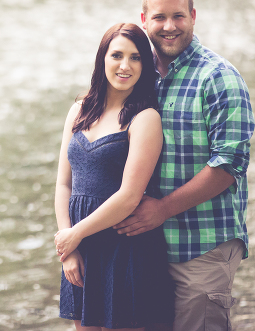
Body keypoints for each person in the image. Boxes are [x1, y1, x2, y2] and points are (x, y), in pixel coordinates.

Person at [113, 0, 255, 331]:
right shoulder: (140, 78)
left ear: (193, 17)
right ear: (144, 20)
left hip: (202, 244)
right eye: (160, 17)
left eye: (179, 16)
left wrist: (161, 209)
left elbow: (229, 165)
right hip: (148, 247)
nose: (169, 26)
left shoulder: (219, 78)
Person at [54, 22, 175, 330]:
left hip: (125, 249)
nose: (125, 65)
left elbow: (129, 196)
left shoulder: (145, 118)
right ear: (102, 59)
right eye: (117, 55)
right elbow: (64, 183)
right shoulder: (79, 109)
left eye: (135, 58)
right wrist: (68, 248)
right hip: (81, 249)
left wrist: (75, 234)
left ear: (145, 66)